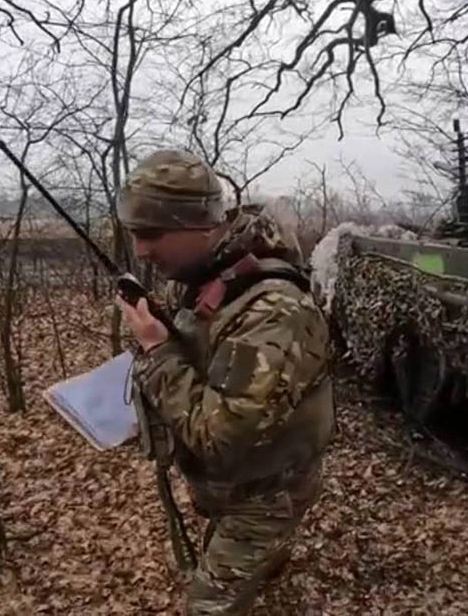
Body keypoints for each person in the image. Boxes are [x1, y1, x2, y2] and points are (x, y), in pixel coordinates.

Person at [113, 148, 335, 615]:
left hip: (264, 494)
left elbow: (221, 437)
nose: (140, 250)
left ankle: (271, 554)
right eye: (134, 234)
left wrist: (157, 350)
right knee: (261, 562)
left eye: (150, 234)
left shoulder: (273, 310)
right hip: (240, 484)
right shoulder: (213, 270)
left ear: (198, 225)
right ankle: (272, 563)